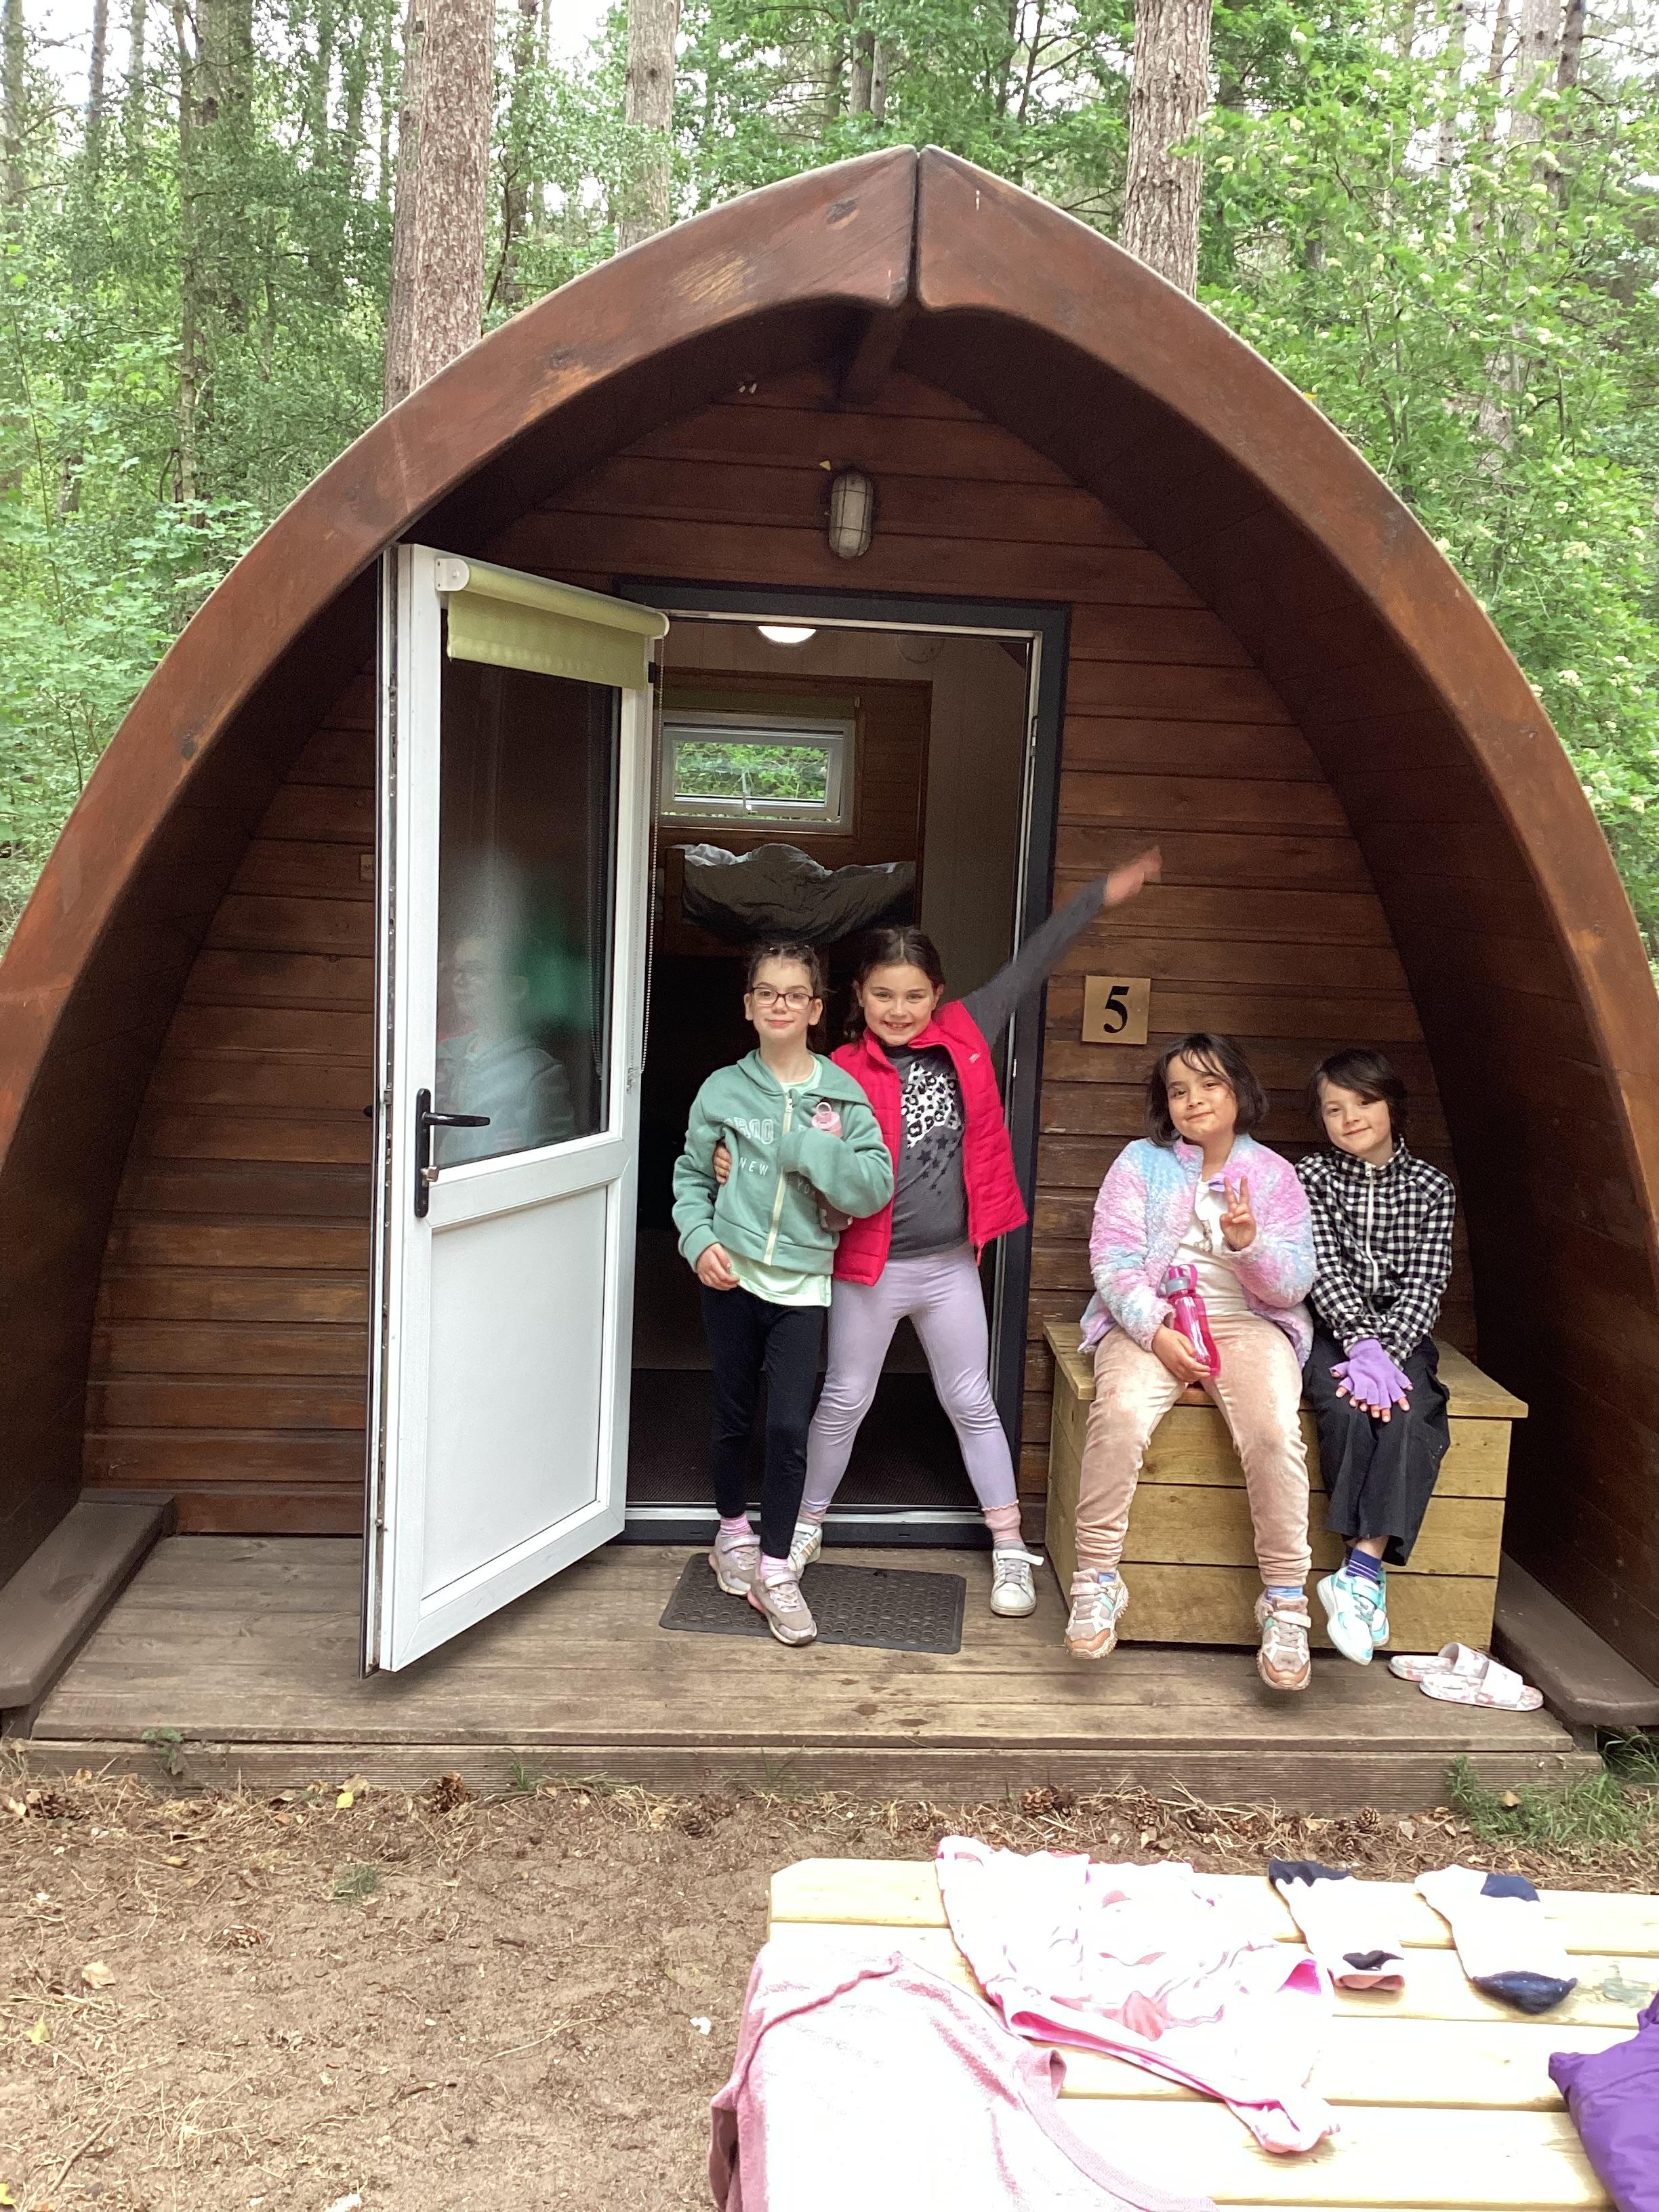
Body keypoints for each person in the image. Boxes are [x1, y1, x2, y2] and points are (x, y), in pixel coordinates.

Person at [718, 851, 1160, 1620]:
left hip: (951, 1266)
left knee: (971, 1402)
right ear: (857, 995)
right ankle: (802, 1529)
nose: (899, 1009)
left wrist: (1096, 896)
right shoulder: (836, 1071)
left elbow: (1034, 961)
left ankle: (1009, 1547)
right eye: (883, 994)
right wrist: (732, 1158)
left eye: (914, 995)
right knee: (844, 1400)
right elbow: (775, 1127)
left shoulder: (970, 1029)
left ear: (939, 994)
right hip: (867, 1266)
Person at [1071, 1034, 1317, 1690]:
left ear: (1239, 1091)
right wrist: (1155, 1331)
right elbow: (1113, 1260)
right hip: (1151, 1319)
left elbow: (1293, 1285)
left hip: (1248, 1323)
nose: (1194, 1100)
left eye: (1209, 1084)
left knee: (1273, 1432)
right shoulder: (1140, 1162)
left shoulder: (1274, 1175)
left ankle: (1286, 1601)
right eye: (1178, 1090)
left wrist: (1249, 1245)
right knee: (1119, 1414)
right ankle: (1096, 1579)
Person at [672, 941, 894, 1647]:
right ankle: (731, 1533)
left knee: (790, 1426)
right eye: (767, 993)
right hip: (732, 1275)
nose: (780, 1005)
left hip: (803, 1285)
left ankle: (775, 1570)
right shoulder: (722, 1091)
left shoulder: (842, 1095)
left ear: (816, 1010)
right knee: (733, 1413)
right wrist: (698, 1240)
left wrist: (810, 1148)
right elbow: (690, 1176)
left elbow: (873, 1186)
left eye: (795, 994)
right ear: (748, 1006)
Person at [1297, 1048, 1456, 1664]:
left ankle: (1361, 1569)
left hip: (1403, 1334)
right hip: (1333, 1329)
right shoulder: (1312, 1176)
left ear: (1393, 1104)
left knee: (1412, 1414)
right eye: (1334, 1109)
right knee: (1344, 1410)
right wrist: (1360, 1345)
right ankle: (1362, 1579)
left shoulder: (1432, 1188)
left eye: (1364, 1102)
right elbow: (1323, 1269)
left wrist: (1387, 1352)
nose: (1351, 1118)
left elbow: (1427, 1284)